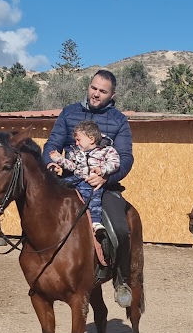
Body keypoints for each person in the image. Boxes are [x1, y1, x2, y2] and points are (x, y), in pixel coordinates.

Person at [42, 70, 135, 307]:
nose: (96, 94)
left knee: (121, 230)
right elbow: (52, 144)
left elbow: (125, 158)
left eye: (103, 91)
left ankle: (121, 280)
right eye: (94, 88)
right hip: (69, 182)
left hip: (103, 186)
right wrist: (51, 163)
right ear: (89, 86)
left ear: (112, 94)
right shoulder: (69, 112)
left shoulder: (119, 121)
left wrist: (106, 178)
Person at [47, 120, 121, 234]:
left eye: (78, 140)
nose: (76, 143)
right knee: (57, 185)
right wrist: (59, 159)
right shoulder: (77, 152)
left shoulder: (107, 150)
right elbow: (71, 166)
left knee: (94, 195)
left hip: (91, 180)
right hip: (77, 177)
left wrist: (102, 170)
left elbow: (115, 163)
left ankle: (96, 221)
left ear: (91, 139)